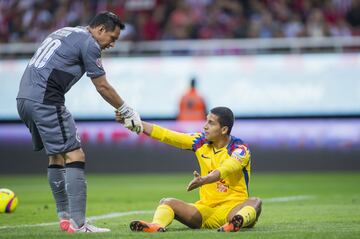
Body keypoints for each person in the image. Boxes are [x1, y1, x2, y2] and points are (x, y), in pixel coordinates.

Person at [16, 12, 142, 233]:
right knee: (75, 155)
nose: (112, 44)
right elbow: (102, 85)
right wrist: (125, 108)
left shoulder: (66, 31)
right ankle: (79, 224)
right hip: (46, 99)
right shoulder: (89, 42)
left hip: (24, 99)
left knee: (56, 154)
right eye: (112, 38)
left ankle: (65, 218)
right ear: (100, 30)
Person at [117, 106, 262, 232]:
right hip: (205, 212)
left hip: (232, 209)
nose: (205, 126)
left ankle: (235, 223)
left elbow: (225, 169)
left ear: (224, 129)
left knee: (255, 202)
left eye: (211, 123)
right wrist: (136, 123)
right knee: (166, 202)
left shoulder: (240, 149)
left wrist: (204, 180)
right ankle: (156, 226)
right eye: (206, 121)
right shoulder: (199, 142)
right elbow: (167, 135)